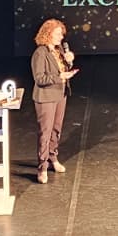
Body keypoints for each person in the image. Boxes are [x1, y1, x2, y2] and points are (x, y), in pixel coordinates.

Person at [30, 18, 78, 184]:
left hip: (60, 94)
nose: (61, 37)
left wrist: (69, 62)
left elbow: (63, 69)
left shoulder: (58, 50)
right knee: (45, 132)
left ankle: (53, 158)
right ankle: (42, 167)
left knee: (56, 129)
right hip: (46, 97)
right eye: (58, 34)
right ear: (48, 34)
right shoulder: (40, 53)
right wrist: (60, 76)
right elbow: (40, 78)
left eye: (61, 34)